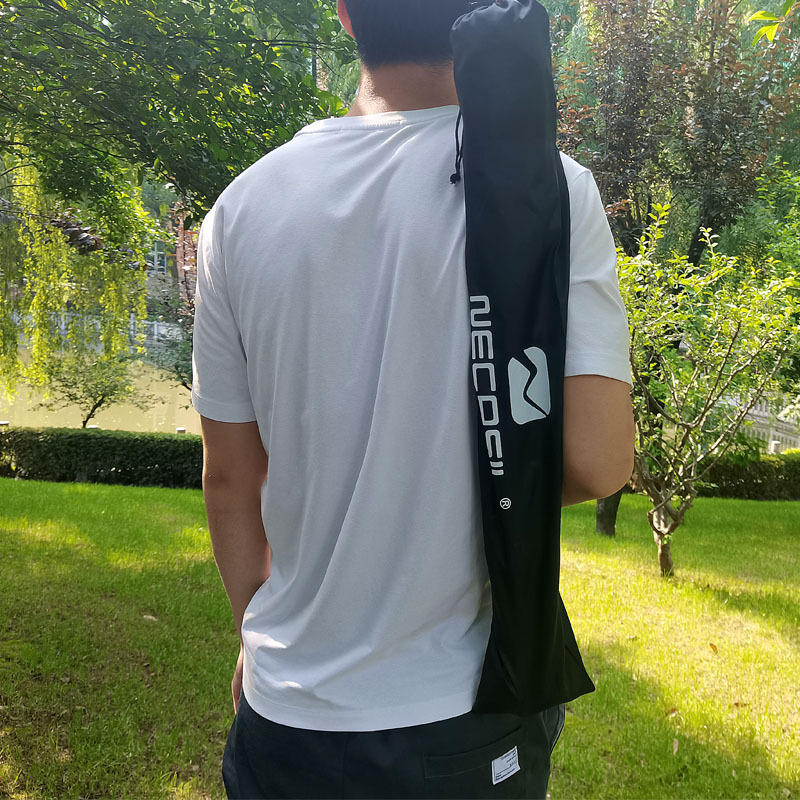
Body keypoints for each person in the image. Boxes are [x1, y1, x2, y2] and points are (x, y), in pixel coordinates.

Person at [190, 0, 635, 797]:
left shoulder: (240, 209)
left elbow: (229, 476)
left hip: (284, 718)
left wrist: (256, 635)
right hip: (461, 714)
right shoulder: (546, 189)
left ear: (344, 15)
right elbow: (598, 463)